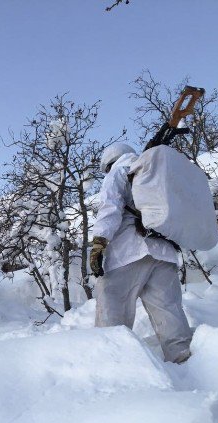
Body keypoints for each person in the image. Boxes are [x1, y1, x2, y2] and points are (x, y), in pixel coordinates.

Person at [90, 143, 192, 364]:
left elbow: (110, 207)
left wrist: (99, 243)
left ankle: (111, 363)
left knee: (112, 307)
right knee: (169, 311)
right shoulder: (157, 172)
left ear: (108, 163)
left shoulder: (119, 170)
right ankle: (183, 359)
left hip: (127, 253)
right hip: (163, 254)